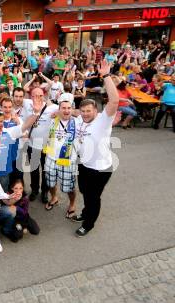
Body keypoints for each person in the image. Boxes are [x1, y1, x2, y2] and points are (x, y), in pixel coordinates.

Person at [72, 60, 119, 237]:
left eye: (88, 111)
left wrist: (106, 76)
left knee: (93, 197)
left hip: (101, 168)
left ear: (96, 111)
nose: (85, 113)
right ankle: (86, 212)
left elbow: (114, 101)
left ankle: (89, 223)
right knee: (84, 191)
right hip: (84, 165)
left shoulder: (103, 120)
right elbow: (73, 112)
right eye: (83, 111)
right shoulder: (79, 119)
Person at [43, 94, 78, 218]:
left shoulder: (77, 122)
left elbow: (84, 113)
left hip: (68, 161)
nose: (66, 110)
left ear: (72, 109)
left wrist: (76, 113)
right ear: (59, 109)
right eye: (63, 108)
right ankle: (54, 198)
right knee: (50, 183)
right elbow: (45, 102)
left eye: (69, 108)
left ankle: (72, 204)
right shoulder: (52, 119)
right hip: (51, 158)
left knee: (69, 186)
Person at [25, 88, 59, 204]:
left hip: (47, 146)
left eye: (40, 95)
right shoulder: (27, 106)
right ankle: (34, 190)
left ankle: (45, 191)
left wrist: (59, 113)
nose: (38, 98)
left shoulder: (52, 107)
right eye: (35, 96)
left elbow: (67, 110)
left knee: (46, 170)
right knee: (34, 169)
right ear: (31, 97)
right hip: (32, 145)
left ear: (44, 96)